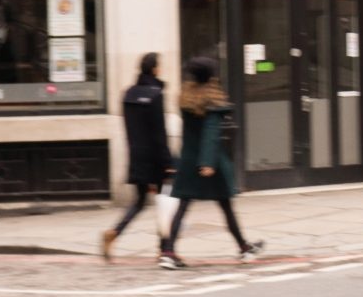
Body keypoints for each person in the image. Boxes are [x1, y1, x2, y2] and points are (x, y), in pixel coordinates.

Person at [162, 58, 261, 267]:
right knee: (226, 206)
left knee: (182, 206)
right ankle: (244, 248)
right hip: (210, 163)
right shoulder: (213, 99)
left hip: (188, 159)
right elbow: (211, 133)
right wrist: (207, 163)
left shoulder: (186, 97)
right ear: (211, 76)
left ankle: (168, 251)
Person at [103, 54, 173, 261]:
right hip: (156, 159)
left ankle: (114, 233)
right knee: (164, 202)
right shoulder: (156, 94)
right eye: (159, 66)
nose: (161, 69)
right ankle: (164, 249)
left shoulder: (128, 94)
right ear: (154, 69)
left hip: (137, 156)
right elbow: (159, 133)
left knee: (140, 201)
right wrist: (167, 163)